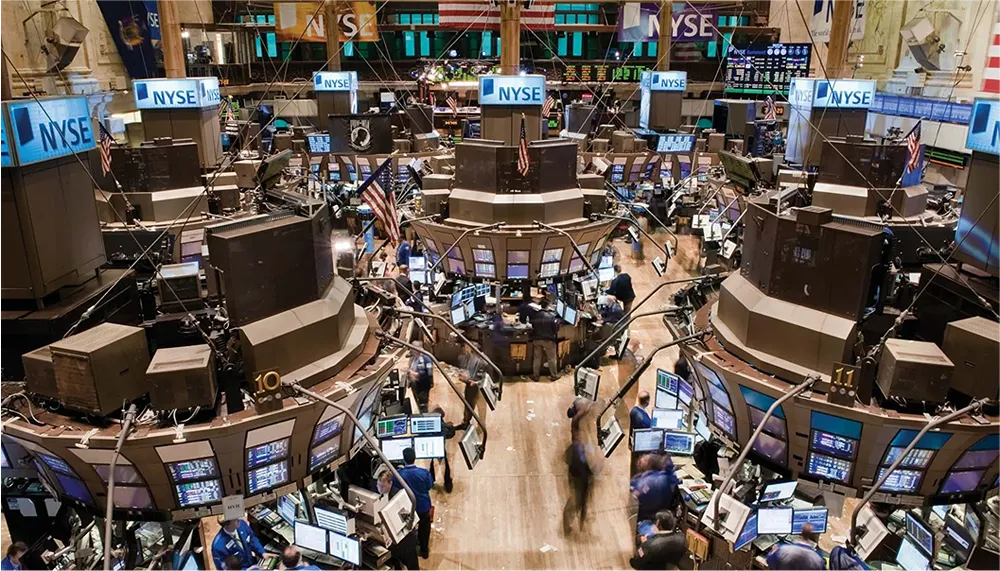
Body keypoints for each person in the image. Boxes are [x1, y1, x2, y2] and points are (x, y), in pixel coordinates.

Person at [394, 448, 435, 559]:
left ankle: (410, 551)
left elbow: (396, 490)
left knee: (408, 530)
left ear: (403, 459)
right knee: (424, 528)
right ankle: (424, 551)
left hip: (408, 508)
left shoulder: (398, 475)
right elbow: (430, 486)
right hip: (423, 506)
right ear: (415, 458)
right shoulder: (424, 473)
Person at [631, 454, 681, 525]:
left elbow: (633, 498)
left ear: (649, 465)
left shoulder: (644, 483)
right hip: (662, 514)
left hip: (644, 519)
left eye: (644, 460)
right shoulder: (666, 476)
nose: (640, 459)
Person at [529, 299, 560, 382]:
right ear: (548, 306)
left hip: (537, 339)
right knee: (551, 358)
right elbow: (556, 329)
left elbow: (532, 325)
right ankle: (554, 375)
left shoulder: (535, 315)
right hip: (548, 340)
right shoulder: (551, 317)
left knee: (537, 358)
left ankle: (535, 376)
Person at [456, 342, 484, 430]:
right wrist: (463, 376)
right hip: (470, 386)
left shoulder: (482, 361)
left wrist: (476, 382)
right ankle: (465, 423)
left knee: (481, 409)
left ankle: (481, 427)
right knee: (468, 405)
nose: (465, 348)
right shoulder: (468, 358)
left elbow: (486, 377)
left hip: (479, 388)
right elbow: (468, 370)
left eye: (467, 347)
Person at [408, 342, 434, 413]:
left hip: (423, 385)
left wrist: (413, 373)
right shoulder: (414, 357)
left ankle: (424, 416)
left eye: (412, 349)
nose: (411, 351)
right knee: (418, 402)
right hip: (415, 384)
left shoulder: (426, 358)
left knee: (423, 405)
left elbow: (428, 373)